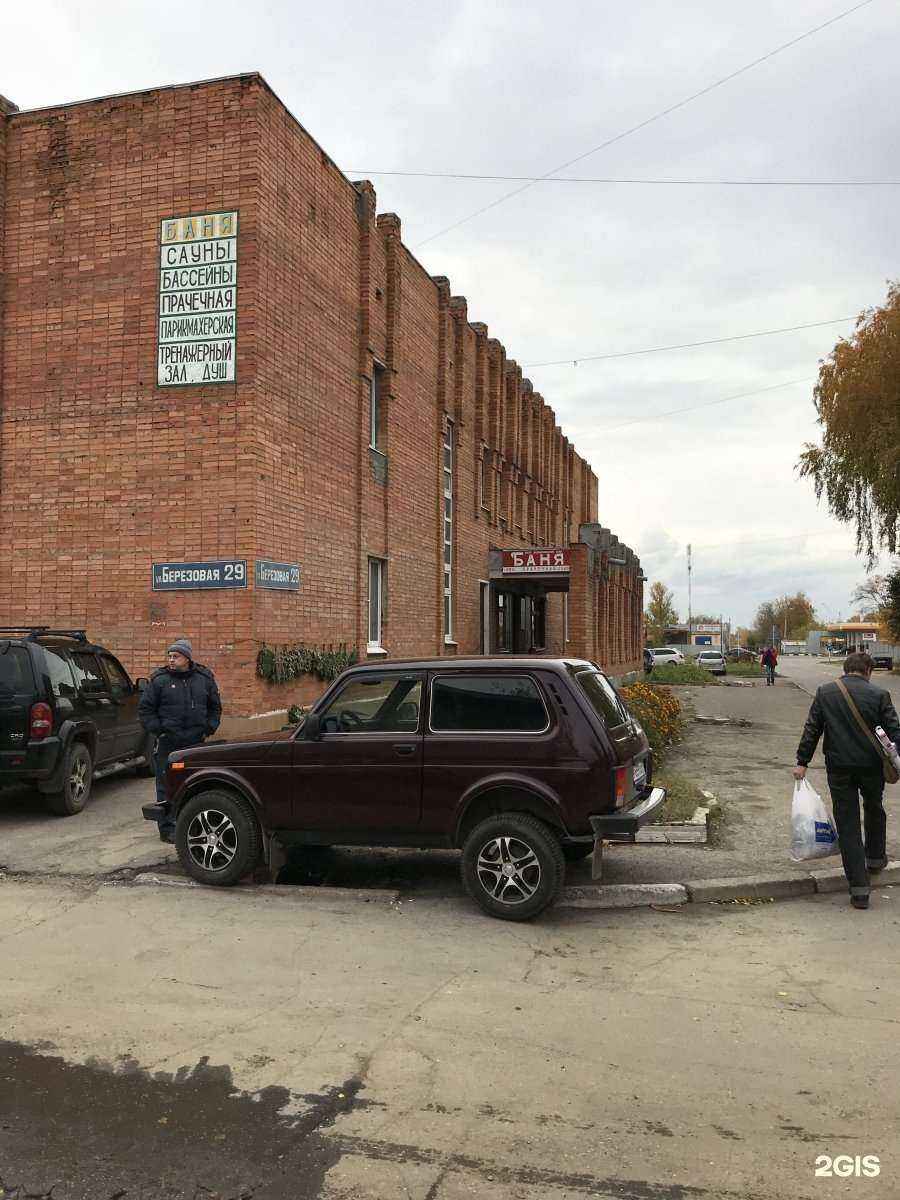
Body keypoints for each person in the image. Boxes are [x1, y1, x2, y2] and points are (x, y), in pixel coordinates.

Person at [793, 651, 900, 909]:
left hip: (839, 767)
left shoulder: (825, 692)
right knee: (875, 807)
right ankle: (875, 858)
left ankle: (859, 890)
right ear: (868, 671)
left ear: (845, 669)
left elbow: (812, 729)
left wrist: (802, 761)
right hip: (872, 767)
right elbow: (895, 733)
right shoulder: (879, 695)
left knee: (848, 822)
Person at [138, 638, 222, 843]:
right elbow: (145, 710)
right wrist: (160, 731)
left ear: (187, 658)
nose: (171, 660)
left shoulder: (204, 678)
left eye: (176, 656)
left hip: (194, 742)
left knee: (196, 783)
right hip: (169, 742)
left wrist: (208, 728)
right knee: (165, 784)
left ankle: (193, 823)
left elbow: (215, 707)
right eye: (169, 656)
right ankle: (167, 828)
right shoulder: (159, 680)